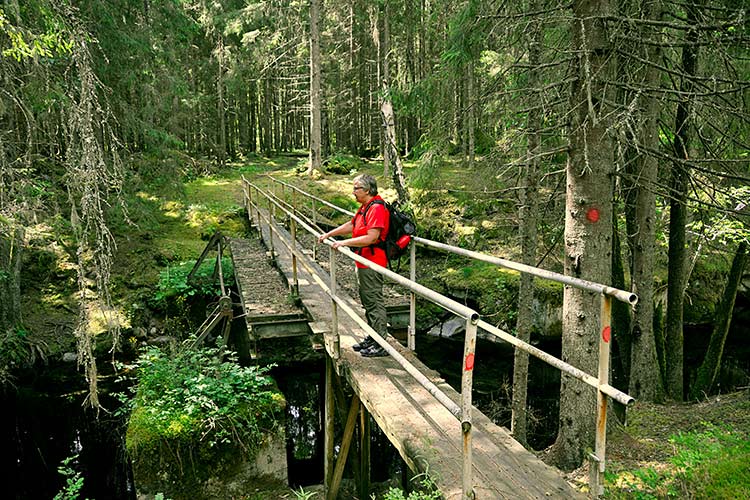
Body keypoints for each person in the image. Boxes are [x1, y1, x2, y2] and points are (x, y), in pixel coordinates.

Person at [317, 174, 390, 357]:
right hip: (363, 260)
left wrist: (344, 243)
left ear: (367, 190)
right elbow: (352, 225)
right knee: (367, 300)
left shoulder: (377, 208)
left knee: (373, 301)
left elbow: (372, 237)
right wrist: (329, 234)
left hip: (372, 262)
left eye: (356, 188)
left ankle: (380, 343)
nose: (353, 192)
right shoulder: (365, 207)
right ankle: (373, 337)